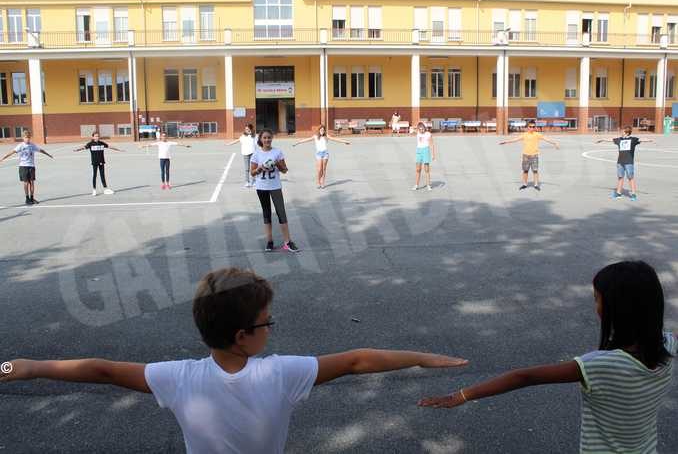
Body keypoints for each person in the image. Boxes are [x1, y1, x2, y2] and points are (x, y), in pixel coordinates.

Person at [0, 267, 468, 454]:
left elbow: (99, 369)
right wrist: (423, 357)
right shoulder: (280, 373)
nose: (271, 328)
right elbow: (357, 361)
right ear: (244, 337)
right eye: (267, 323)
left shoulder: (176, 378)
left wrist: (18, 367)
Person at [419, 260, 676, 454]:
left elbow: (525, 376)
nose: (595, 304)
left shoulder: (600, 365)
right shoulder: (668, 343)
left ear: (616, 309)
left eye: (596, 299)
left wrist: (462, 395)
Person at [250, 129, 299, 252]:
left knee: (281, 213)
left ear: (272, 138)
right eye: (265, 138)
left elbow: (284, 170)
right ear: (260, 139)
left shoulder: (277, 152)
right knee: (267, 214)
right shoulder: (256, 154)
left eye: (269, 137)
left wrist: (277, 164)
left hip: (275, 186)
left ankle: (287, 242)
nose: (267, 140)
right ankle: (269, 241)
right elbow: (252, 173)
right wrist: (260, 168)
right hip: (262, 187)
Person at [596, 126, 653, 201]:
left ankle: (633, 194)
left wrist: (650, 140)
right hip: (620, 162)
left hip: (629, 162)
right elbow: (611, 139)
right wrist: (602, 139)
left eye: (622, 132)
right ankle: (618, 193)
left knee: (630, 178)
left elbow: (641, 139)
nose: (621, 133)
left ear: (626, 133)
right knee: (620, 177)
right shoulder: (620, 139)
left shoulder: (633, 140)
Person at [499, 121, 559, 191]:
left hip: (534, 155)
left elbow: (546, 139)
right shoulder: (524, 135)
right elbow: (515, 139)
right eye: (530, 127)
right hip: (526, 155)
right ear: (527, 127)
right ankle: (524, 184)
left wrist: (555, 143)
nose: (532, 128)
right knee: (525, 171)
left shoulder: (537, 135)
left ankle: (536, 184)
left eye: (533, 127)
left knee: (535, 171)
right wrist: (506, 142)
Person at [0, 130, 54, 205]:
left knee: (32, 182)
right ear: (23, 138)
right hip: (23, 166)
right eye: (26, 137)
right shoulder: (20, 146)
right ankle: (27, 198)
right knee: (26, 183)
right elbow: (12, 152)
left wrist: (49, 155)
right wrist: (3, 158)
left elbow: (41, 150)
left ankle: (32, 198)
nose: (27, 139)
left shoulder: (32, 145)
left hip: (31, 166)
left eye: (28, 137)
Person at [292, 125, 350, 189]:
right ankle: (318, 182)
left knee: (324, 169)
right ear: (319, 130)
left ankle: (322, 183)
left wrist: (345, 141)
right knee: (319, 169)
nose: (322, 131)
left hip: (325, 154)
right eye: (321, 130)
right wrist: (297, 143)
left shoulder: (326, 136)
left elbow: (335, 139)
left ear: (324, 131)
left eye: (323, 130)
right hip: (319, 154)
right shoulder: (315, 136)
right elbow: (306, 140)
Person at [73, 131, 124, 196]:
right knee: (95, 175)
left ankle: (105, 189)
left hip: (101, 161)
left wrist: (119, 150)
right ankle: (94, 190)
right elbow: (84, 147)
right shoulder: (90, 144)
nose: (97, 137)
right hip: (95, 162)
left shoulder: (101, 143)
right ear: (93, 137)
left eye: (98, 136)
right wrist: (77, 150)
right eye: (96, 136)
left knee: (102, 175)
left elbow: (110, 147)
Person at [227, 124, 256, 188]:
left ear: (251, 129)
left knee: (253, 168)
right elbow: (237, 141)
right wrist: (229, 144)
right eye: (246, 129)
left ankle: (254, 181)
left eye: (248, 129)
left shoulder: (254, 136)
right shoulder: (243, 136)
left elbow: (259, 143)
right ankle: (247, 182)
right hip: (245, 154)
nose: (247, 130)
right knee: (247, 169)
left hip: (252, 154)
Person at [412, 121, 436, 191]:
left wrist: (433, 154)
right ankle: (416, 185)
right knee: (418, 169)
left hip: (426, 151)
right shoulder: (418, 133)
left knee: (426, 169)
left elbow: (432, 144)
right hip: (419, 151)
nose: (422, 130)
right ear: (418, 129)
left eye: (423, 129)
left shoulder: (428, 134)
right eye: (420, 129)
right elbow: (413, 128)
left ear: (425, 128)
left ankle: (428, 185)